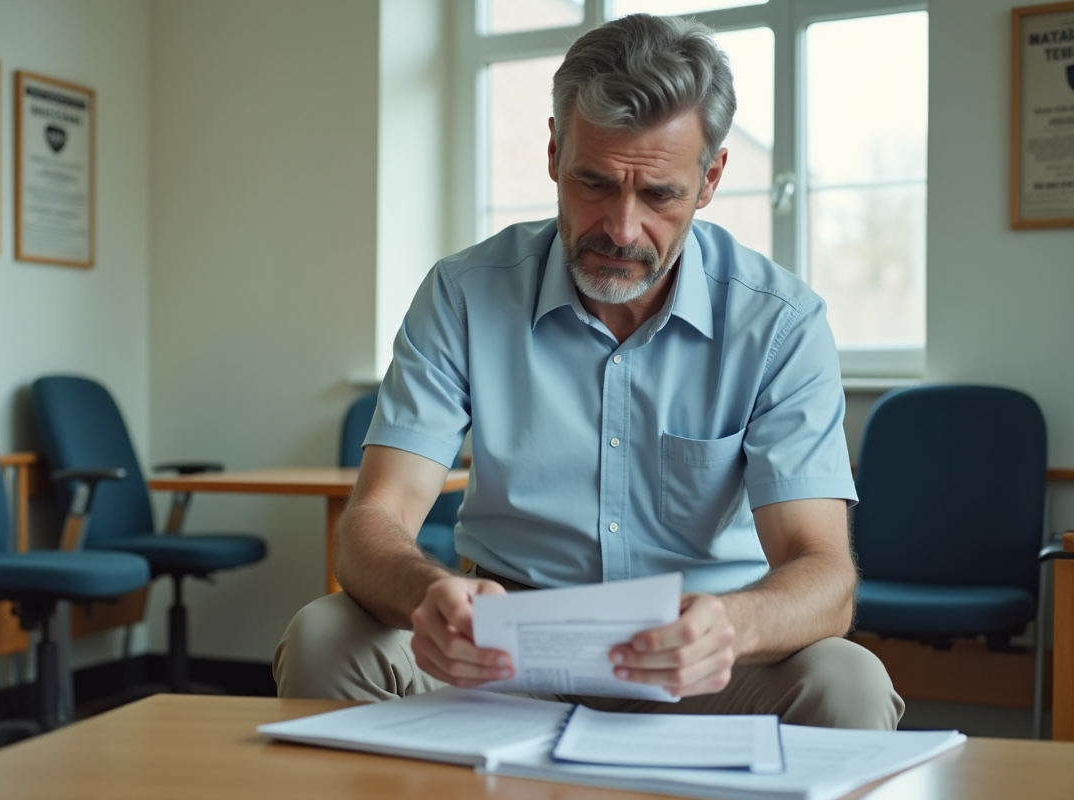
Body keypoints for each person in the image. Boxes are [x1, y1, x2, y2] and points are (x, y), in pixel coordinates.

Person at [275, 13, 903, 730]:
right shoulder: (464, 294)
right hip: (502, 648)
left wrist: (733, 625)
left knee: (849, 683)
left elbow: (824, 572)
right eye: (594, 183)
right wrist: (433, 596)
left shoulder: (780, 323)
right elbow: (373, 520)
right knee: (325, 636)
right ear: (554, 153)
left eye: (659, 194)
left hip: (703, 656)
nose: (622, 229)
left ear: (710, 179)